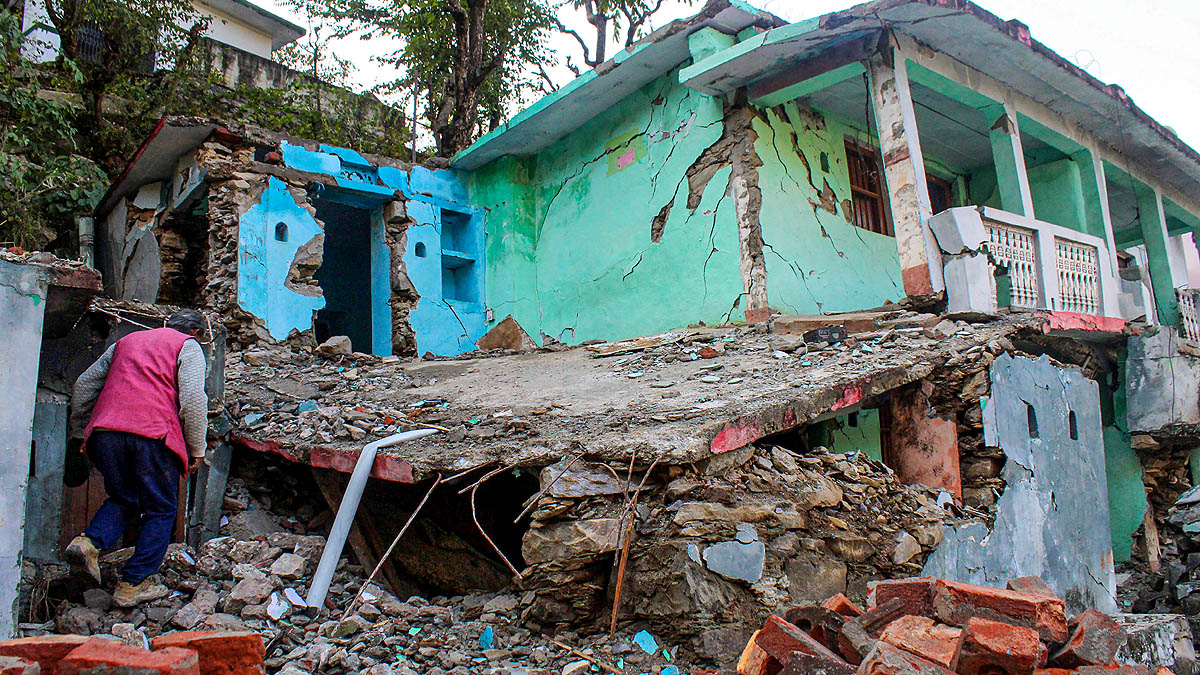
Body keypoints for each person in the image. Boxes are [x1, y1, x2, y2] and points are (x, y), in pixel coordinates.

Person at [64, 309, 210, 607]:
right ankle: (132, 584)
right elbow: (194, 400)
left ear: (166, 324)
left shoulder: (126, 342)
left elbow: (84, 386)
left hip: (105, 433)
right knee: (160, 509)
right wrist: (197, 449)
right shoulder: (188, 346)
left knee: (124, 498)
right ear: (197, 334)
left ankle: (88, 543)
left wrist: (79, 431)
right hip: (152, 434)